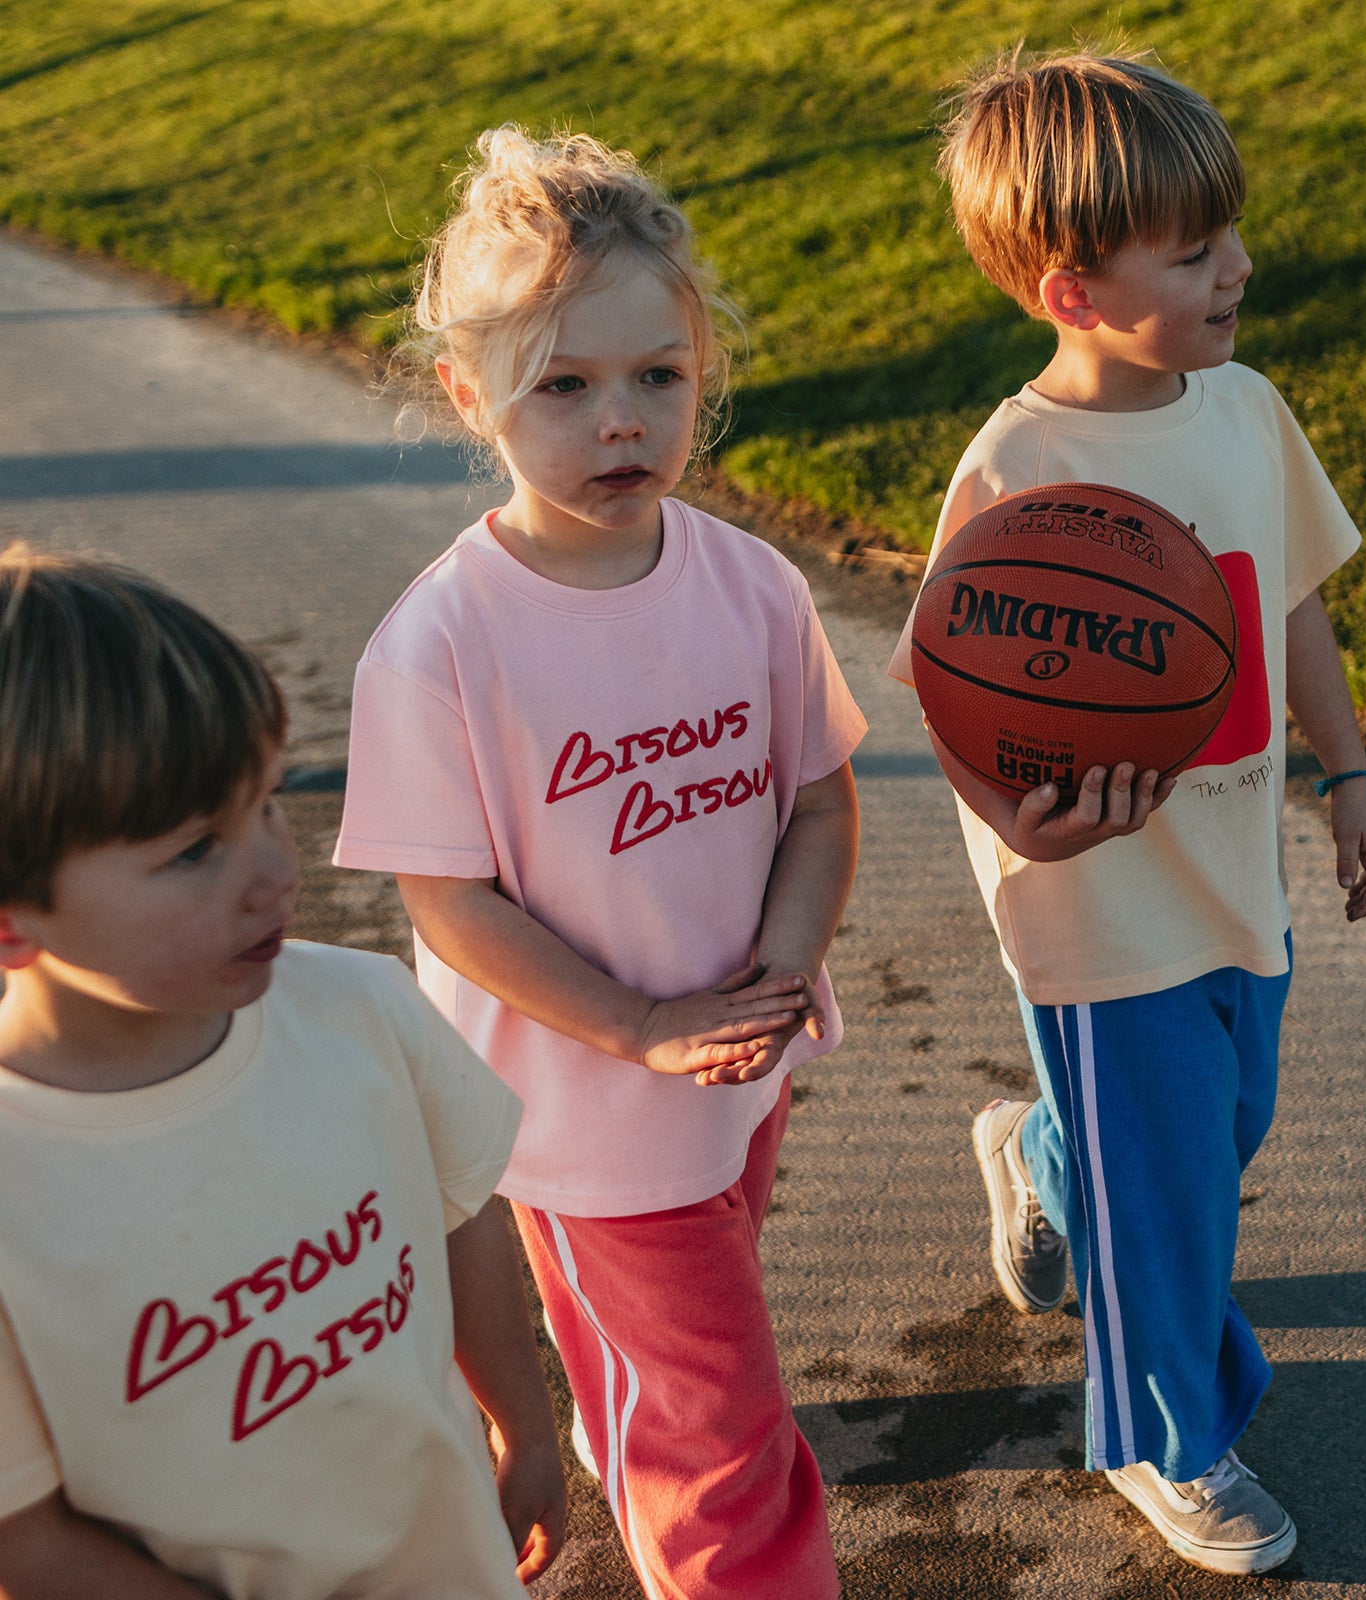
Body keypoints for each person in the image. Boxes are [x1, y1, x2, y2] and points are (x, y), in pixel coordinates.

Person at [334, 126, 863, 1600]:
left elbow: (818, 801)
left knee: (703, 1323)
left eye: (656, 377)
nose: (618, 420)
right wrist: (634, 1026)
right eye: (563, 386)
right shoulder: (444, 645)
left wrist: (783, 961)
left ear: (702, 373)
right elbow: (449, 902)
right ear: (470, 394)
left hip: (734, 1060)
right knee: (721, 1442)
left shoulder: (751, 585)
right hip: (586, 1107)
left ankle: (627, 1383)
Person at [888, 51, 1366, 1576]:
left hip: (1233, 874)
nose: (1238, 266)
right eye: (1193, 252)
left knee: (1221, 1129)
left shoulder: (1242, 409)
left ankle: (1040, 1158)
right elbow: (948, 690)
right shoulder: (1018, 473)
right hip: (1092, 902)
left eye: (1229, 232)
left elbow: (1289, 599)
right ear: (1072, 292)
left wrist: (1349, 775)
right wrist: (1017, 826)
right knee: (1170, 1205)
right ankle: (1170, 1439)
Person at [0, 547, 566, 1598]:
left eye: (266, 803)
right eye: (191, 850)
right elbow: (25, 1542)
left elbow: (460, 1219)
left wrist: (525, 1428)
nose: (276, 868)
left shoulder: (357, 1009)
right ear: (12, 920)